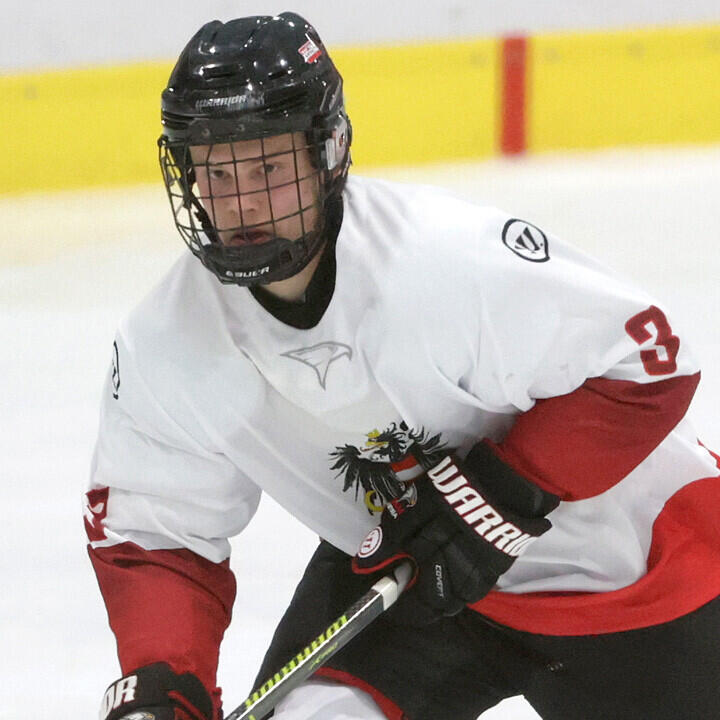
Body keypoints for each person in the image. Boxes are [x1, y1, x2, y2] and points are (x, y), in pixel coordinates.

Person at [85, 12, 720, 720]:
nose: (240, 205)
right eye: (214, 174)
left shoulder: (445, 261)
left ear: (325, 153)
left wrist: (500, 495)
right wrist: (163, 683)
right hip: (416, 583)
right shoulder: (167, 339)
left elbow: (650, 363)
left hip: (638, 574)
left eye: (265, 166)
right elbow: (155, 531)